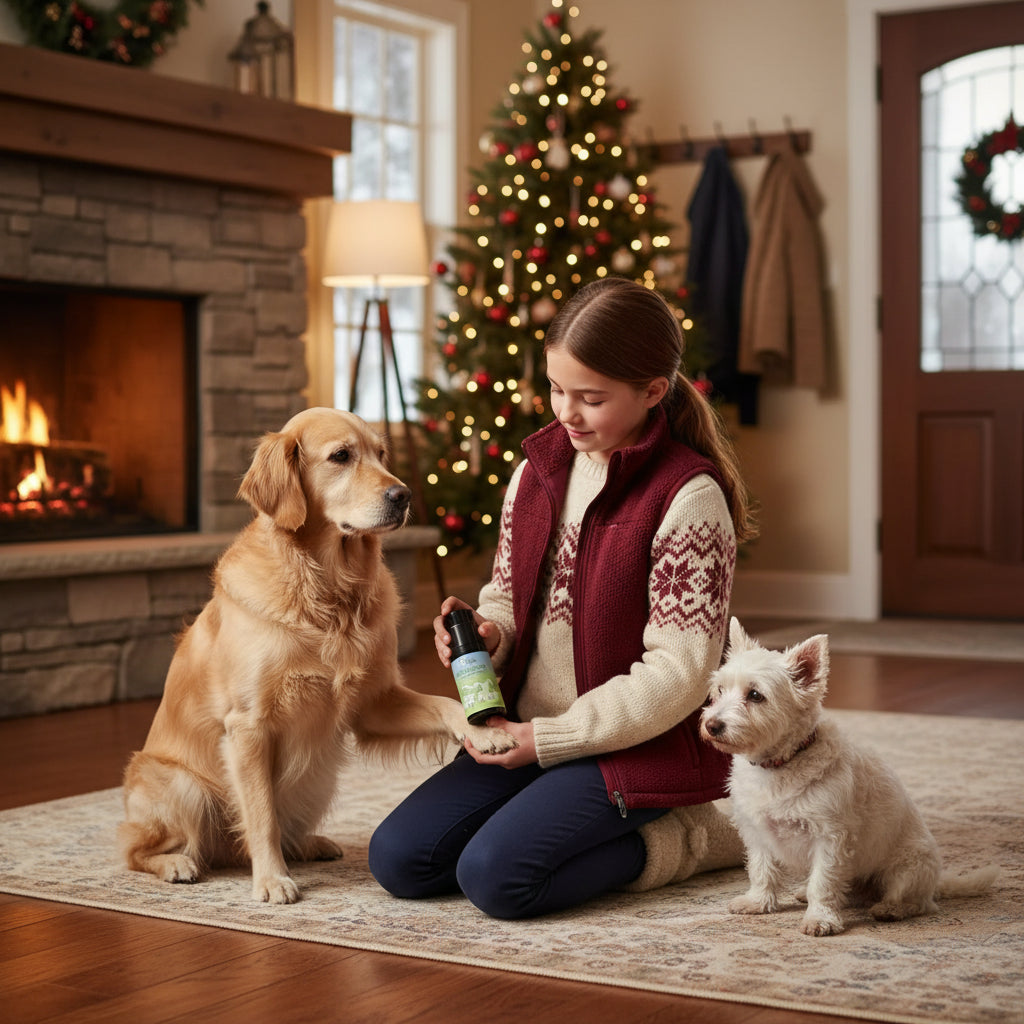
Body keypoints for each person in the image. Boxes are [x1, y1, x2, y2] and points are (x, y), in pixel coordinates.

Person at [368, 276, 758, 919]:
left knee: (497, 880)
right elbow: (504, 596)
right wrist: (489, 636)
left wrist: (551, 740)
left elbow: (680, 673)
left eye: (591, 398)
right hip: (524, 729)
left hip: (626, 744)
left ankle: (683, 835)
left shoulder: (688, 498)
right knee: (402, 859)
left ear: (652, 392)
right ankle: (558, 807)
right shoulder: (535, 472)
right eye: (555, 388)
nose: (565, 412)